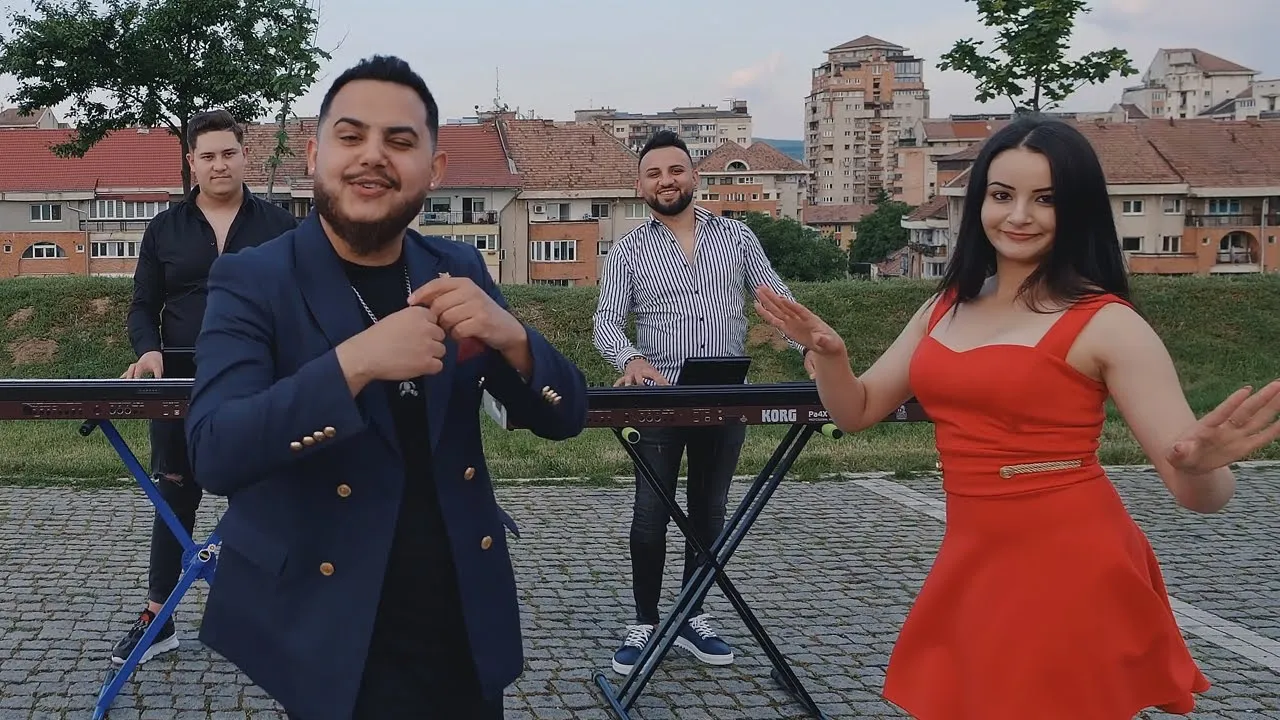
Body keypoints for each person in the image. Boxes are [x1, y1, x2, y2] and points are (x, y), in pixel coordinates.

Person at [754, 115, 1280, 719]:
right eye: (1002, 195)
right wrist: (832, 357)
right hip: (974, 554)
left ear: (1078, 209)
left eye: (1046, 199)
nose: (1019, 216)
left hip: (1071, 560)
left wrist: (1201, 465)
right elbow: (858, 411)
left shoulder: (1109, 323)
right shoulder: (946, 306)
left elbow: (1200, 495)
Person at [184, 55, 588, 720]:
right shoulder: (253, 278)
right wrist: (352, 365)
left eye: (399, 141)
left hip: (459, 618)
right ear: (315, 155)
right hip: (330, 625)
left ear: (435, 169)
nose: (373, 156)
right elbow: (215, 451)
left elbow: (565, 417)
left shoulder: (456, 267)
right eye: (351, 136)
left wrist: (513, 338)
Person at [592, 129, 812, 676]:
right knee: (651, 515)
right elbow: (606, 323)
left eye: (675, 170)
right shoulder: (627, 250)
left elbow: (775, 300)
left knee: (709, 511)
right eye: (653, 174)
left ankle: (693, 614)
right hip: (660, 399)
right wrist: (629, 359)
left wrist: (810, 347)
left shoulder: (737, 237)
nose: (665, 181)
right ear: (640, 186)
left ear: (693, 175)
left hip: (725, 397)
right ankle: (645, 622)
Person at [116, 109, 298, 665]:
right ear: (192, 162)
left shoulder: (282, 227)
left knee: (261, 495)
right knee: (174, 492)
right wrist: (148, 350)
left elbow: (302, 304)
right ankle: (159, 617)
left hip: (258, 382)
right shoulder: (163, 229)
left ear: (245, 156)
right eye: (208, 156)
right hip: (178, 381)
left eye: (229, 153)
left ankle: (264, 614)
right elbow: (143, 306)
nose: (220, 164)